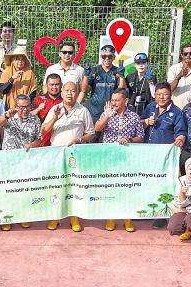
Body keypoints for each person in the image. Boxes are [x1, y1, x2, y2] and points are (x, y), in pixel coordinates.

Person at [41, 81, 95, 232]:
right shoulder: (54, 109)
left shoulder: (83, 110)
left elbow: (91, 133)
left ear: (77, 93)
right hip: (56, 154)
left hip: (75, 155)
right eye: (67, 91)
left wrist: (79, 140)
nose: (70, 93)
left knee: (74, 186)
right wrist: (55, 118)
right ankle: (55, 217)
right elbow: (43, 131)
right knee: (56, 185)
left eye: (73, 91)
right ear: (62, 93)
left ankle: (74, 217)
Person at [95, 89, 145, 232]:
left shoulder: (134, 117)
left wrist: (129, 140)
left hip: (127, 159)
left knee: (126, 188)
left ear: (126, 101)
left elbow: (140, 137)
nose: (114, 103)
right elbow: (97, 129)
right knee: (110, 187)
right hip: (109, 158)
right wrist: (107, 117)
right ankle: (111, 217)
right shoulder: (107, 113)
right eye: (113, 100)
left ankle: (127, 218)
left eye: (117, 100)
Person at [81, 45, 124, 120]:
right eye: (104, 56)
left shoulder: (117, 71)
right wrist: (86, 75)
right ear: (101, 57)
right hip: (94, 111)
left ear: (114, 57)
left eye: (110, 56)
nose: (107, 58)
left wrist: (122, 76)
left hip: (112, 110)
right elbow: (85, 90)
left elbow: (121, 90)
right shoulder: (94, 70)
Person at [0, 46, 36, 110]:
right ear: (13, 60)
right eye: (18, 59)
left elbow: (33, 92)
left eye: (22, 59)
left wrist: (25, 105)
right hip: (9, 107)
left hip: (25, 108)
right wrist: (12, 78)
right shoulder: (6, 72)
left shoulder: (29, 73)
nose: (20, 61)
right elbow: (2, 91)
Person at [167, 45, 191, 109]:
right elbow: (169, 89)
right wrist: (179, 76)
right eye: (185, 54)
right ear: (181, 55)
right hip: (175, 108)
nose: (188, 56)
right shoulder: (173, 69)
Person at [32, 73, 65, 147]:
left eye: (57, 84)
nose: (54, 87)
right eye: (51, 84)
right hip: (42, 141)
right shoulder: (38, 99)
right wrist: (38, 109)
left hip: (60, 140)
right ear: (46, 85)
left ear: (61, 85)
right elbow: (27, 116)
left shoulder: (66, 101)